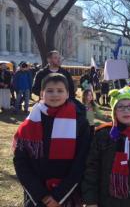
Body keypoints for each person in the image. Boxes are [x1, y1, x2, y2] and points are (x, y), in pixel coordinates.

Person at [13, 73, 90, 207]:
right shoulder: (29, 123)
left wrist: (58, 196)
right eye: (49, 91)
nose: (55, 94)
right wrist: (41, 195)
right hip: (37, 195)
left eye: (60, 91)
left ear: (68, 94)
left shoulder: (80, 122)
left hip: (68, 195)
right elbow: (21, 161)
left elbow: (81, 162)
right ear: (42, 93)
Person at [82, 86, 130, 207]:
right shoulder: (102, 135)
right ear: (114, 111)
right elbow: (92, 169)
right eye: (121, 107)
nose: (126, 110)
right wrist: (90, 200)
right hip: (104, 201)